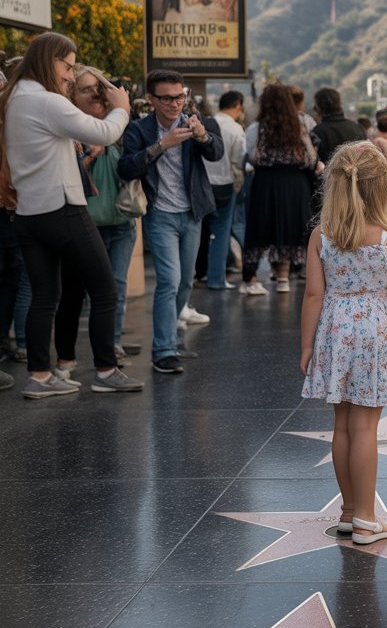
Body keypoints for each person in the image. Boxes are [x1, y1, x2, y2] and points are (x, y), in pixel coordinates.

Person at [1, 33, 143, 396]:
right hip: (62, 209)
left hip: (28, 214)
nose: (69, 75)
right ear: (50, 61)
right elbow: (105, 132)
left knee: (45, 296)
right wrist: (121, 106)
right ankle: (106, 371)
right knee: (105, 290)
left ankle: (39, 377)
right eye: (67, 66)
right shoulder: (46, 101)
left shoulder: (14, 98)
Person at [301, 142, 387, 542]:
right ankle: (367, 519)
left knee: (341, 426)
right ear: (381, 187)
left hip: (334, 332)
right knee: (366, 427)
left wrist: (307, 346)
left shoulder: (321, 236)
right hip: (373, 335)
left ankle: (349, 510)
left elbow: (313, 295)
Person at [119, 69, 224, 374]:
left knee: (186, 281)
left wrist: (202, 136)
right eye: (166, 98)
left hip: (192, 212)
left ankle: (172, 340)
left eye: (179, 96)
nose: (174, 103)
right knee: (168, 280)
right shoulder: (139, 129)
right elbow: (125, 168)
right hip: (160, 214)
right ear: (151, 99)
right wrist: (162, 145)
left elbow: (216, 152)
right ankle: (163, 350)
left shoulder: (194, 123)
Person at [71, 66, 141, 360]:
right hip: (85, 223)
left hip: (121, 220)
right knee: (84, 292)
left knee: (118, 285)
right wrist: (90, 155)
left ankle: (112, 343)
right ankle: (78, 352)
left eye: (99, 88)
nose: (95, 94)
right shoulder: (69, 128)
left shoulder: (122, 127)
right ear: (71, 95)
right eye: (86, 89)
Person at [239, 83, 321, 296]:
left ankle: (251, 275)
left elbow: (251, 156)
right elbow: (310, 158)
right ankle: (285, 277)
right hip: (295, 184)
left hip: (265, 183)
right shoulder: (301, 125)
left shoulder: (256, 128)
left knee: (262, 228)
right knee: (291, 227)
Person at [198, 90, 246, 289]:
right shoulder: (236, 129)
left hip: (201, 184)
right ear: (237, 106)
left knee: (199, 230)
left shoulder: (204, 124)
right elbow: (239, 160)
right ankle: (216, 279)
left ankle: (199, 273)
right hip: (225, 185)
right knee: (221, 231)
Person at [310, 88, 366, 164]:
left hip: (330, 171)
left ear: (319, 107)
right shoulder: (358, 128)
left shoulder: (317, 133)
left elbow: (313, 162)